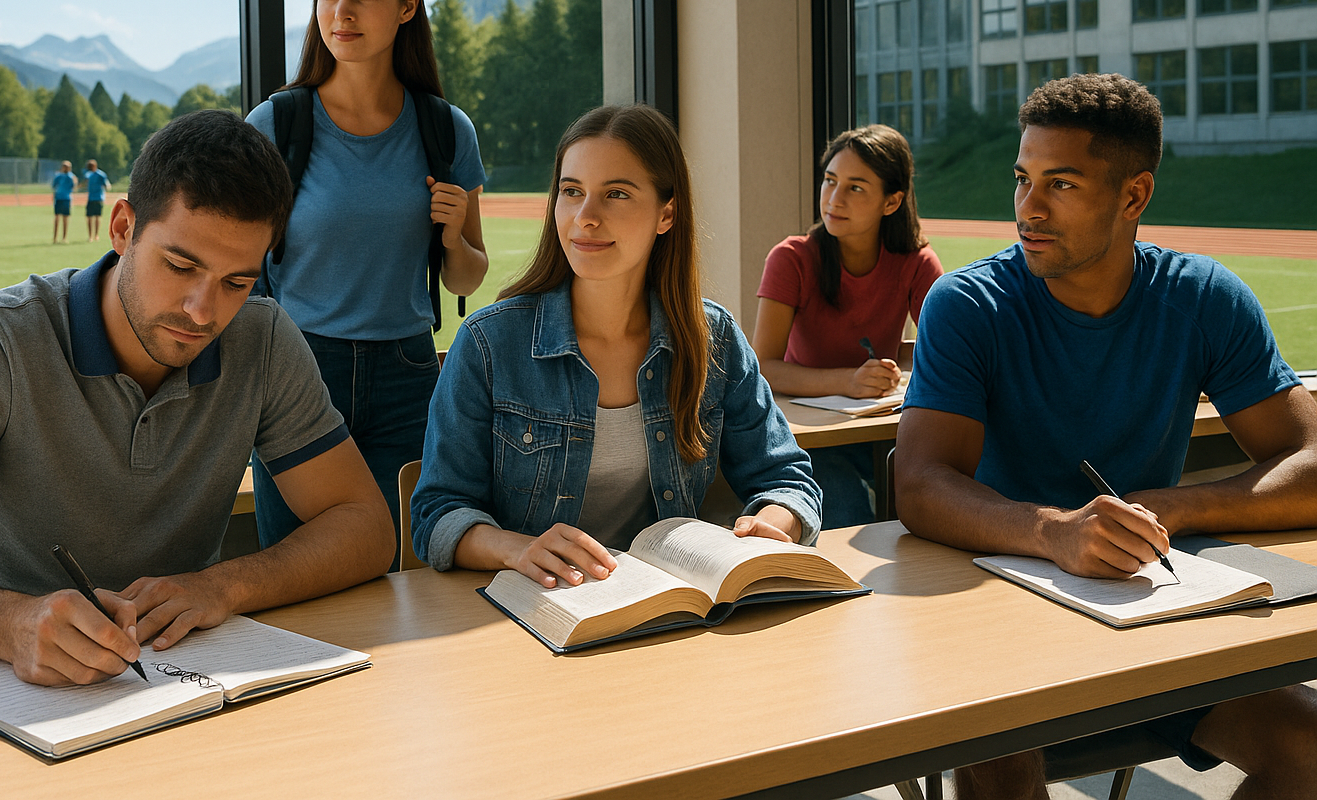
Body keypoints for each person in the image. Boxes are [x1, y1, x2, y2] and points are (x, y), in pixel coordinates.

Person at [0, 109, 394, 687]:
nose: (202, 311)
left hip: (177, 680)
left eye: (236, 282)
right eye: (180, 266)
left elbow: (366, 527)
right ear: (122, 228)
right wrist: (10, 624)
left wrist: (224, 585)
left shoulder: (262, 340)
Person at [894, 73, 1317, 799]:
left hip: (1148, 606)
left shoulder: (1204, 297)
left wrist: (1169, 508)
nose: (1028, 208)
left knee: (1309, 751)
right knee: (1000, 767)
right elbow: (920, 484)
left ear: (1134, 196)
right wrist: (1054, 531)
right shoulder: (968, 304)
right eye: (1023, 179)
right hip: (994, 617)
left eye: (1061, 184)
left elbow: (1310, 461)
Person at [410, 104, 821, 584]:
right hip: (536, 607)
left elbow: (787, 479)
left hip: (669, 605)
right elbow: (437, 511)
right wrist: (517, 549)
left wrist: (772, 524)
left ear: (666, 213)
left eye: (617, 194)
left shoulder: (715, 338)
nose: (585, 217)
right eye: (572, 191)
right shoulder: (488, 344)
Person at [246, 0, 488, 567]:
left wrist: (453, 233)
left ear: (407, 6)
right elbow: (236, 266)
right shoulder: (275, 125)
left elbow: (467, 277)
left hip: (408, 376)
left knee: (402, 569)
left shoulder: (446, 130)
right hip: (296, 369)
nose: (340, 12)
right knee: (295, 569)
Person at [753, 124, 942, 528]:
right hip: (808, 436)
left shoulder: (917, 262)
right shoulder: (791, 258)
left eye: (855, 187)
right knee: (847, 510)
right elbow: (762, 367)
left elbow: (944, 351)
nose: (834, 198)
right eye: (830, 180)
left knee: (926, 501)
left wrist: (898, 367)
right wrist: (849, 381)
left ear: (892, 202)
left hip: (880, 429)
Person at [83, 158, 110, 242]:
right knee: (89, 217)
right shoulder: (88, 174)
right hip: (91, 198)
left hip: (98, 198)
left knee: (97, 217)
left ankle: (96, 235)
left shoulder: (101, 175)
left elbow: (107, 185)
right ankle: (90, 236)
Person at [51, 160, 77, 244]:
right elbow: (54, 185)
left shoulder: (71, 177)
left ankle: (64, 237)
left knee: (65, 218)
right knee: (57, 218)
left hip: (66, 198)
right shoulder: (58, 176)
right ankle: (55, 238)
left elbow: (74, 186)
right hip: (59, 198)